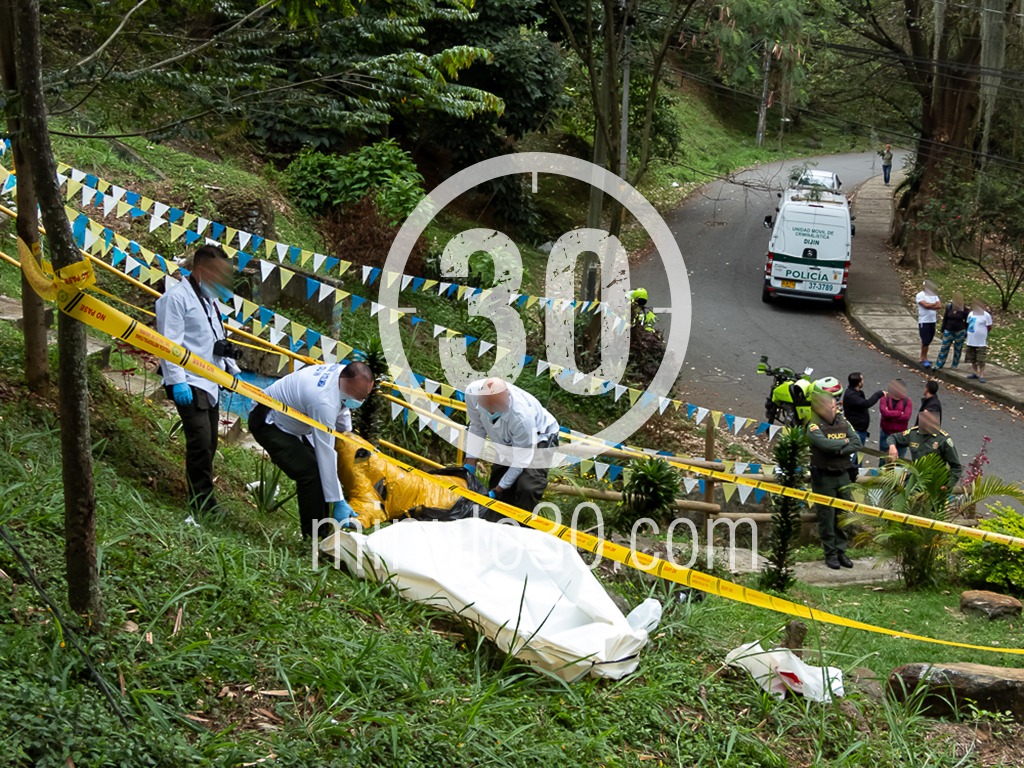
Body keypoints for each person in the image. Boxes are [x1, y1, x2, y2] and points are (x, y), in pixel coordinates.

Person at [155, 245, 240, 515]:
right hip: (188, 380)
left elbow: (216, 338)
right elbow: (169, 343)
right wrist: (177, 380)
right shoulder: (175, 298)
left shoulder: (210, 301)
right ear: (201, 270)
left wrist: (230, 369)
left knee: (210, 442)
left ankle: (201, 495)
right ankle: (202, 504)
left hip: (209, 379)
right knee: (201, 442)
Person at [249, 362, 374, 538]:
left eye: (365, 396)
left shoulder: (343, 376)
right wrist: (339, 501)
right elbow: (326, 454)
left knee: (322, 473)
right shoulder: (323, 401)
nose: (361, 400)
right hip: (268, 420)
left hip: (296, 421)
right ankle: (314, 538)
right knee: (312, 473)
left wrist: (349, 441)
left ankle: (325, 534)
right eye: (359, 395)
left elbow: (342, 413)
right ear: (345, 383)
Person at [464, 377, 560, 512]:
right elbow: (477, 427)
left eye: (494, 409)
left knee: (528, 487)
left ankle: (521, 522)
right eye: (487, 407)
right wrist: (469, 467)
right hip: (507, 437)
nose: (490, 413)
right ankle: (493, 520)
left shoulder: (522, 418)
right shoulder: (472, 392)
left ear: (507, 399)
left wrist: (496, 491)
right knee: (498, 480)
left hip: (540, 436)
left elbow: (520, 462)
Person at [807, 383, 862, 570]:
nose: (834, 409)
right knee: (827, 518)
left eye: (835, 406)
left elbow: (857, 442)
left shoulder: (843, 422)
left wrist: (838, 449)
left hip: (843, 475)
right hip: (824, 478)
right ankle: (830, 553)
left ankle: (841, 552)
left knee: (842, 516)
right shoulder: (813, 424)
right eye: (830, 407)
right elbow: (824, 445)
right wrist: (843, 442)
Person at [887, 410, 962, 489]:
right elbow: (893, 437)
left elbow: (956, 466)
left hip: (934, 485)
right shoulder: (913, 434)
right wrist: (892, 447)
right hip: (915, 482)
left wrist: (948, 485)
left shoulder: (943, 440)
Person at [842, 372, 884, 449]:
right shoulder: (852, 396)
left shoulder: (854, 393)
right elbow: (867, 403)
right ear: (859, 383)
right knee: (857, 452)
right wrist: (879, 394)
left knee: (859, 452)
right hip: (856, 430)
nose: (863, 381)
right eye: (862, 380)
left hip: (860, 429)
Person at [878, 379, 912, 463]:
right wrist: (899, 413)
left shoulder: (907, 401)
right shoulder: (884, 398)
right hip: (886, 434)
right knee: (883, 460)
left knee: (900, 461)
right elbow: (884, 413)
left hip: (901, 437)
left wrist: (890, 415)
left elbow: (906, 417)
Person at [935, 291, 969, 370]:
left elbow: (967, 321)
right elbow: (945, 319)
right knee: (944, 347)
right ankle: (939, 363)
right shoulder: (949, 307)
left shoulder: (964, 309)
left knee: (958, 349)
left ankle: (954, 365)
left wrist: (965, 331)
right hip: (948, 329)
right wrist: (942, 330)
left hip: (959, 331)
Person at [965, 299, 994, 383]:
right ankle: (975, 373)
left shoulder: (986, 315)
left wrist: (982, 333)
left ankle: (982, 375)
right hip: (971, 340)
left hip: (980, 341)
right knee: (972, 358)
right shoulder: (971, 314)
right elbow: (968, 324)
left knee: (981, 359)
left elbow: (989, 327)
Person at [915, 280, 941, 368]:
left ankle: (923, 357)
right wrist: (933, 305)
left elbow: (939, 306)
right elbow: (924, 305)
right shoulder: (920, 295)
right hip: (924, 321)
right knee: (925, 340)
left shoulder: (934, 295)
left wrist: (930, 305)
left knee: (929, 339)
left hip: (932, 321)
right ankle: (923, 358)